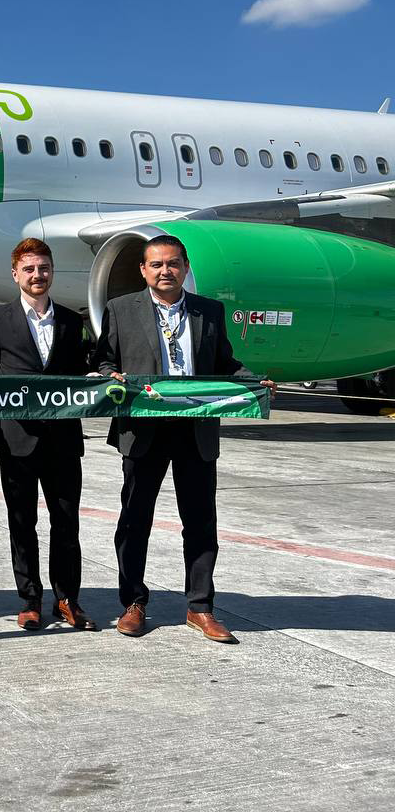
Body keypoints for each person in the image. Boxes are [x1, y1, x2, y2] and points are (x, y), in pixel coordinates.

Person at [94, 233, 275, 643]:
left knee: (200, 522)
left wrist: (253, 382)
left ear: (185, 267)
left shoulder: (209, 311)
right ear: (143, 270)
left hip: (195, 428)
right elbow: (103, 360)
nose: (166, 271)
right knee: (134, 519)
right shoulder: (121, 309)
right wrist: (109, 376)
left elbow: (225, 363)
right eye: (157, 264)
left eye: (173, 263)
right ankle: (133, 602)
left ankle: (200, 607)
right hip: (143, 429)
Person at [0, 239, 97, 632]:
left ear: (52, 271)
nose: (37, 275)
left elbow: (81, 370)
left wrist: (93, 378)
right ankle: (29, 600)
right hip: (16, 439)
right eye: (29, 269)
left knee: (66, 523)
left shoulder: (72, 321)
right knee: (22, 523)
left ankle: (67, 600)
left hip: (63, 439)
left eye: (43, 268)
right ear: (15, 274)